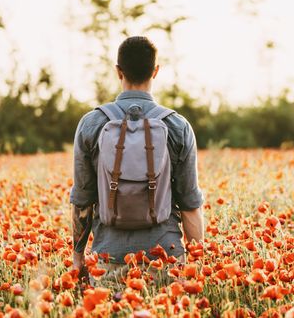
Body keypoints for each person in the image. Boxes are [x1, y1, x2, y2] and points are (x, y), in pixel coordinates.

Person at [70, 36, 204, 280]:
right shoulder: (177, 126)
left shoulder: (91, 124)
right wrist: (197, 266)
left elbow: (82, 201)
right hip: (166, 260)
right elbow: (189, 204)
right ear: (155, 71)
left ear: (118, 71)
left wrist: (77, 261)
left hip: (107, 261)